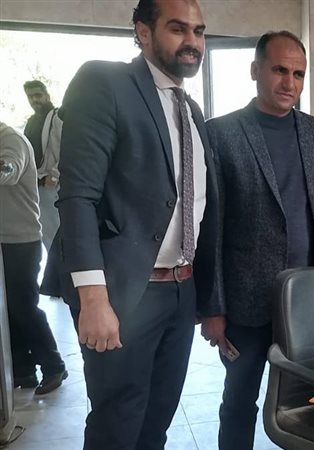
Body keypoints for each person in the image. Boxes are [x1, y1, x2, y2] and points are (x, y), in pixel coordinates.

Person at [40, 0, 222, 448]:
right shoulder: (106, 83)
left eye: (199, 31)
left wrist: (204, 295)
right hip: (124, 292)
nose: (193, 42)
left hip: (181, 289)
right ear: (143, 32)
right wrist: (93, 298)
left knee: (156, 422)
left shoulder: (191, 110)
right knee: (117, 426)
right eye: (178, 29)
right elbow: (78, 196)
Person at [200, 31, 314, 450]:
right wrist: (213, 307)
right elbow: (212, 229)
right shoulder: (221, 133)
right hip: (247, 301)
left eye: (298, 74)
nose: (290, 83)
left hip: (311, 302)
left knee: (312, 402)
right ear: (255, 70)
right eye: (280, 70)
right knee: (239, 400)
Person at [0, 121, 67, 395]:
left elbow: (8, 171)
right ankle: (23, 369)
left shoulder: (10, 140)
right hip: (5, 240)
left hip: (20, 241)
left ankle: (54, 366)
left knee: (24, 307)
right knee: (8, 310)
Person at [23, 80, 62, 250]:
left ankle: (63, 266)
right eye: (30, 96)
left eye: (38, 95)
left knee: (57, 233)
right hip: (35, 185)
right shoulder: (32, 121)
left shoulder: (58, 117)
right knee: (46, 234)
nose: (34, 100)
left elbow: (69, 148)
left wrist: (54, 175)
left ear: (47, 95)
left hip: (51, 184)